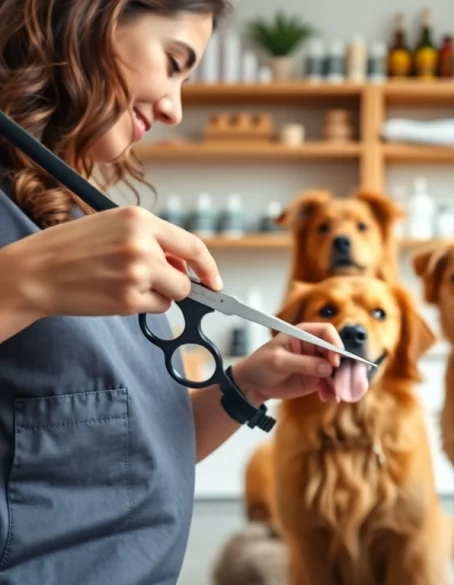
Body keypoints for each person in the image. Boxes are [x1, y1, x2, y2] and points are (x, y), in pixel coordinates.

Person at [0, 1, 365, 583]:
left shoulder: (77, 220)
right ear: (92, 16)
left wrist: (245, 384)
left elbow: (124, 456)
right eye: (173, 62)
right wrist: (26, 282)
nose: (173, 108)